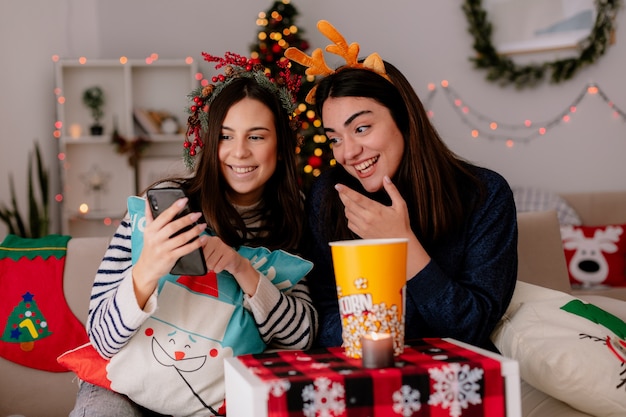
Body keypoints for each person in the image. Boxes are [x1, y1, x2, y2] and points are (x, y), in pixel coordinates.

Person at [69, 53, 317, 417]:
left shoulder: (290, 219)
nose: (240, 152)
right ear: (209, 141)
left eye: (257, 136)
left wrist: (241, 268)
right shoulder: (161, 209)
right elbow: (102, 340)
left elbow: (300, 337)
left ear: (280, 148)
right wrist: (147, 270)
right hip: (122, 392)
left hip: (213, 401)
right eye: (226, 136)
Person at [286, 21, 517, 352]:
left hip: (460, 380)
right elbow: (322, 320)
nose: (348, 152)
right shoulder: (330, 195)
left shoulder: (484, 194)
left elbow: (472, 327)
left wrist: (402, 244)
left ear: (405, 120)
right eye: (335, 138)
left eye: (362, 128)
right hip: (363, 375)